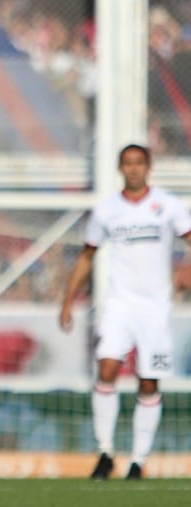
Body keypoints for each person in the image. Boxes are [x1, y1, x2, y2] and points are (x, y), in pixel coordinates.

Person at [59, 143, 191, 481]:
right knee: (107, 368)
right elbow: (87, 255)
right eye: (127, 163)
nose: (133, 169)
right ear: (120, 168)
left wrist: (186, 269)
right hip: (118, 304)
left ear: (148, 167)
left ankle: (138, 461)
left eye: (139, 163)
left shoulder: (169, 206)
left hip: (156, 308)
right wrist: (67, 300)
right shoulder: (106, 210)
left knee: (149, 381)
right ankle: (105, 453)